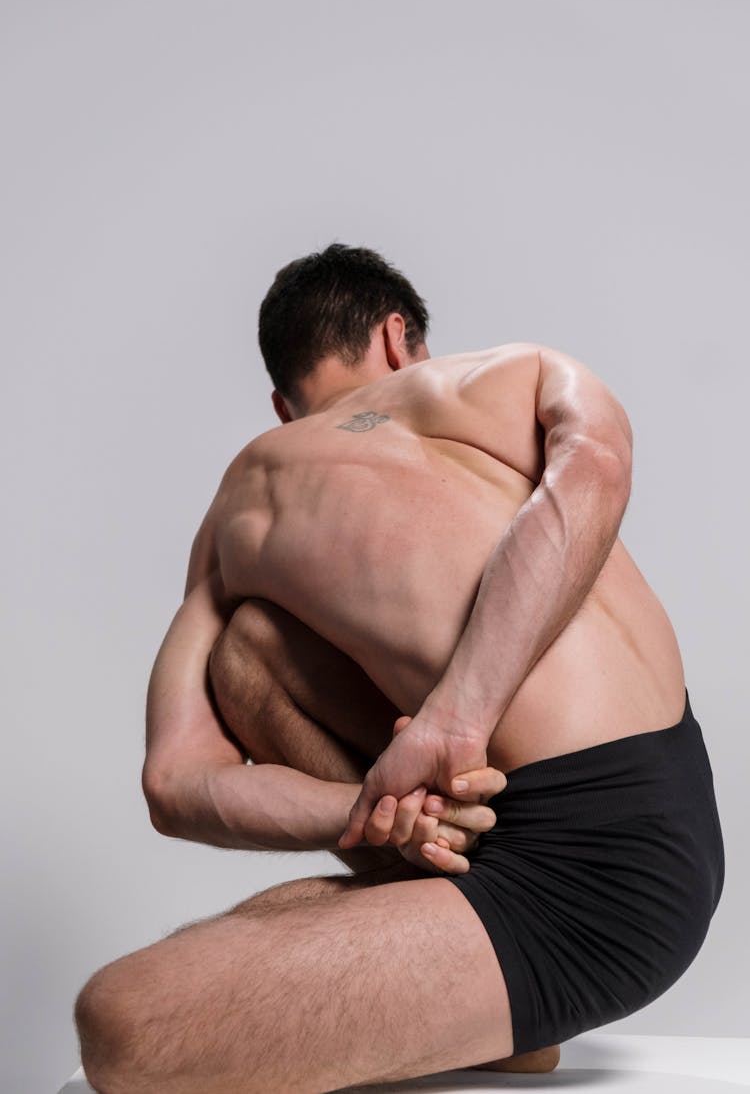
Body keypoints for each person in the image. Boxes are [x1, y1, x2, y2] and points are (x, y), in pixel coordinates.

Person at [74, 244, 724, 1093]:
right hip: (636, 815)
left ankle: (496, 991)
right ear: (398, 335)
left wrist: (447, 723)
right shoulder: (519, 372)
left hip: (599, 882)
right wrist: (378, 808)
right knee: (255, 647)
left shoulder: (245, 495)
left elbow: (175, 780)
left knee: (121, 1023)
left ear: (281, 401)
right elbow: (595, 469)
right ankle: (490, 1018)